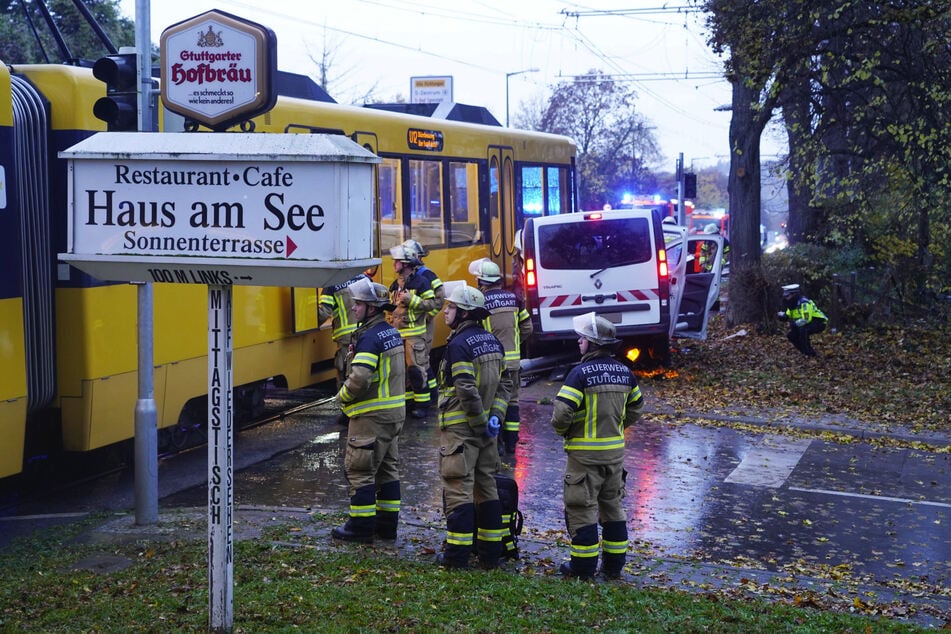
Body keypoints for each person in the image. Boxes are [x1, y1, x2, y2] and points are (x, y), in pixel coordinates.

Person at [551, 312, 644, 580]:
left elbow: (560, 415)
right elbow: (637, 407)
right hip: (614, 455)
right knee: (613, 507)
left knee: (581, 510)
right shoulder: (625, 372)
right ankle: (613, 568)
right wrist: (616, 426)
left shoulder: (579, 374)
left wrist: (567, 432)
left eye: (582, 338)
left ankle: (582, 569)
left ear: (592, 343)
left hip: (583, 456)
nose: (578, 342)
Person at [436, 283, 512, 570]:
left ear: (465, 313)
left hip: (462, 432)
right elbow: (506, 384)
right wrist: (496, 418)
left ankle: (456, 557)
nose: (446, 311)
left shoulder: (459, 345)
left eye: (451, 307)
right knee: (487, 489)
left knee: (458, 490)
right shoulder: (493, 341)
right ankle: (490, 555)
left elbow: (466, 389)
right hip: (486, 434)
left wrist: (480, 423)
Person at [331, 278, 406, 543]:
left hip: (371, 416)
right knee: (387, 471)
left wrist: (343, 396)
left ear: (372, 308)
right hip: (393, 414)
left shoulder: (369, 338)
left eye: (359, 304)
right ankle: (387, 527)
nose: (353, 308)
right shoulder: (390, 332)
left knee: (360, 470)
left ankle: (359, 528)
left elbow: (360, 378)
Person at [468, 257, 532, 456]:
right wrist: (514, 343)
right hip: (513, 363)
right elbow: (527, 327)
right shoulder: (514, 299)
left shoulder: (480, 303)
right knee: (511, 401)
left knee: (491, 401)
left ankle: (495, 445)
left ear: (481, 282)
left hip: (491, 364)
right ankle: (512, 444)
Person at [318, 266, 378, 426]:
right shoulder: (364, 279)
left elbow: (324, 312)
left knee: (346, 374)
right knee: (365, 372)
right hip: (366, 334)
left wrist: (305, 318)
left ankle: (348, 412)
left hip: (346, 339)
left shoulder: (332, 285)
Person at [388, 244, 441, 418]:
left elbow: (432, 304)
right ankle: (409, 402)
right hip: (398, 335)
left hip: (414, 336)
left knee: (417, 371)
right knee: (402, 373)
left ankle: (423, 405)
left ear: (406, 264)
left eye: (397, 261)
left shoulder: (421, 283)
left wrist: (413, 300)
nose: (394, 264)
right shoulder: (395, 285)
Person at [401, 239, 444, 407]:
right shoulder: (408, 277)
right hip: (413, 327)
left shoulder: (427, 275)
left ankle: (427, 399)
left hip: (423, 326)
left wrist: (426, 318)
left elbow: (438, 301)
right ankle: (431, 394)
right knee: (420, 361)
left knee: (421, 361)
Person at [777, 284, 827, 356]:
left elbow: (806, 319)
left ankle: (810, 353)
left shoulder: (804, 303)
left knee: (803, 330)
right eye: (785, 296)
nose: (786, 298)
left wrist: (793, 324)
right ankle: (805, 351)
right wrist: (782, 317)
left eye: (787, 296)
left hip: (819, 322)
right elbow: (788, 315)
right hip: (805, 323)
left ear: (794, 294)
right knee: (791, 335)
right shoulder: (792, 304)